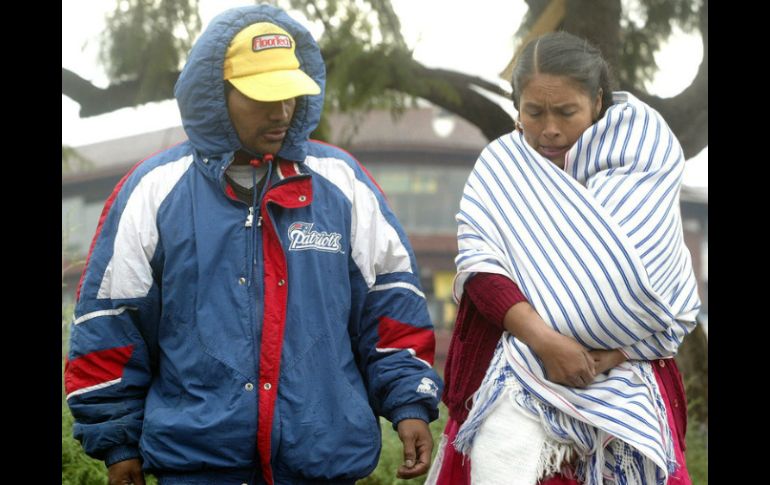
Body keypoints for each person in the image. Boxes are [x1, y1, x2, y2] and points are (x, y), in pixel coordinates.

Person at [64, 5, 443, 485]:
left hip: (323, 464)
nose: (282, 111)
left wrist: (408, 400)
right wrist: (117, 441)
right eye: (263, 97)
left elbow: (392, 306)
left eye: (289, 94)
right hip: (196, 467)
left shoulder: (344, 184)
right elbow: (110, 324)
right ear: (216, 95)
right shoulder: (154, 190)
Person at [425, 31, 699, 485]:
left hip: (628, 377)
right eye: (533, 112)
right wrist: (546, 343)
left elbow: (656, 286)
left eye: (566, 112)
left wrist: (609, 354)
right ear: (517, 107)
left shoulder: (642, 162)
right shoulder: (502, 168)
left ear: (597, 101)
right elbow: (481, 268)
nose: (549, 128)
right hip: (519, 373)